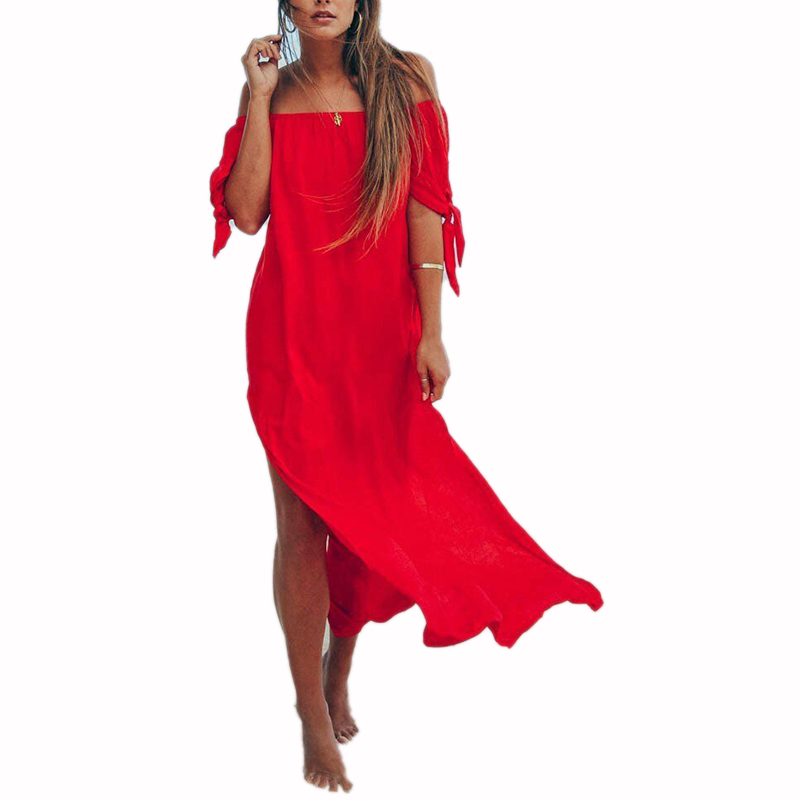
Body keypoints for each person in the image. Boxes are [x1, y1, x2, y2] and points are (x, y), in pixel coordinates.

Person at [209, 0, 603, 791]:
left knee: (370, 518)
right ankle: (310, 716)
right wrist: (258, 96)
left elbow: (427, 209)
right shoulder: (271, 89)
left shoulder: (405, 80)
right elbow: (247, 214)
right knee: (301, 526)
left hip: (379, 338)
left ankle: (340, 660)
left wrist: (431, 332)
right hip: (291, 336)